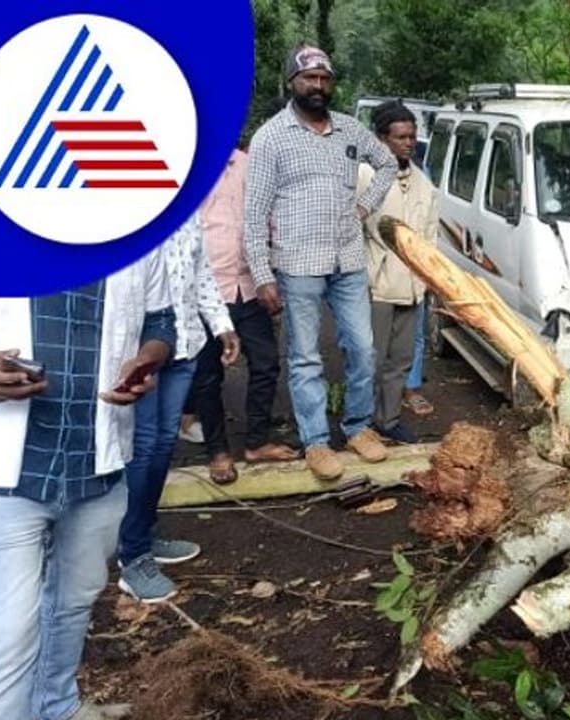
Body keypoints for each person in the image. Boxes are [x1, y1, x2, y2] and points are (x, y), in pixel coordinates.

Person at [0, 253, 176, 720]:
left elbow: (161, 320)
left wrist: (147, 359)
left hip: (97, 460)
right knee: (9, 631)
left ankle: (57, 707)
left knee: (73, 603)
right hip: (5, 468)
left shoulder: (138, 225)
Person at [243, 44, 399, 481]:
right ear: (292, 82)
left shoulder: (350, 130)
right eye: (309, 78)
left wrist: (364, 207)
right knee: (306, 358)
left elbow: (387, 163)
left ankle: (357, 427)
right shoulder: (271, 137)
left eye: (324, 79)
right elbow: (254, 212)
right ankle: (315, 441)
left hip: (347, 258)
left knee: (363, 349)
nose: (317, 86)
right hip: (296, 264)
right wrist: (261, 274)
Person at [117, 214, 239, 603]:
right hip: (139, 352)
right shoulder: (121, 217)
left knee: (163, 443)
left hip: (185, 344)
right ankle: (132, 556)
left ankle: (144, 534)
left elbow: (201, 274)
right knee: (143, 447)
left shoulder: (186, 216)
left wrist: (222, 326)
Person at [189, 147, 300, 484]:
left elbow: (268, 216)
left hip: (249, 284)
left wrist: (272, 273)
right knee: (208, 376)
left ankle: (256, 442)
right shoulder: (188, 166)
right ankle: (218, 452)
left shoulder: (249, 163)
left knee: (266, 363)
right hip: (206, 287)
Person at [360, 102, 440, 443]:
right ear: (382, 139)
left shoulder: (423, 184)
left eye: (412, 136)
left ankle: (387, 419)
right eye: (401, 137)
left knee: (401, 360)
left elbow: (430, 238)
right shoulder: (364, 175)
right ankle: (359, 425)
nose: (409, 143)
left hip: (412, 286)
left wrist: (429, 281)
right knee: (368, 361)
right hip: (375, 285)